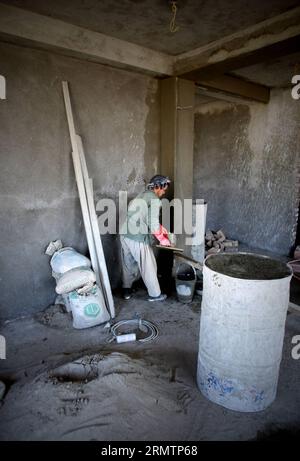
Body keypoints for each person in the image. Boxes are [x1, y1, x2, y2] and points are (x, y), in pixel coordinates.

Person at [120, 175, 171, 301]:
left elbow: (143, 215)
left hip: (125, 233)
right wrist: (163, 239)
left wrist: (160, 227)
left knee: (128, 263)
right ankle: (155, 294)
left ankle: (127, 290)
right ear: (158, 186)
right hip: (137, 236)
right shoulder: (154, 200)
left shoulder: (142, 194)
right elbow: (151, 221)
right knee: (148, 265)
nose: (164, 192)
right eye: (164, 188)